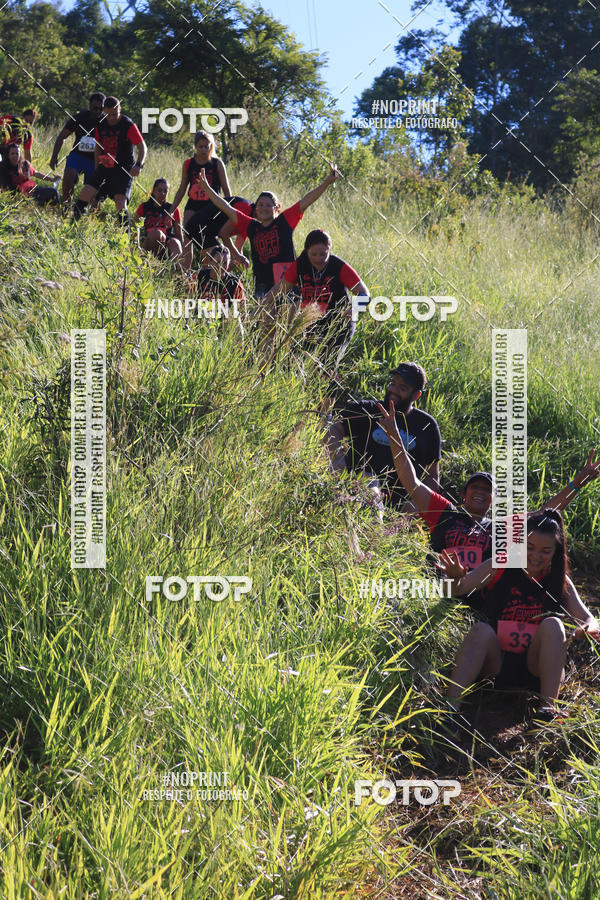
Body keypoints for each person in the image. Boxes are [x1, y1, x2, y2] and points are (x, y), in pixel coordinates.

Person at [377, 401, 600, 573]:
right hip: (440, 587)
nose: (480, 493)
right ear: (464, 494)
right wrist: (395, 436)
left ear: (494, 500)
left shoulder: (502, 527)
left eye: (487, 490)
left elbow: (545, 514)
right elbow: (412, 481)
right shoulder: (445, 512)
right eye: (475, 487)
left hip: (478, 596)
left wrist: (577, 483)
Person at [438, 510, 600, 727]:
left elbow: (589, 619)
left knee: (554, 625)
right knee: (481, 630)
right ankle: (450, 707)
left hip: (537, 670)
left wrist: (588, 629)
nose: (535, 556)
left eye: (545, 551)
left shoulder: (560, 581)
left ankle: (547, 709)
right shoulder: (500, 565)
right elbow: (455, 590)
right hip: (497, 663)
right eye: (529, 547)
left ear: (555, 552)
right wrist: (454, 578)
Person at [195, 163, 340, 298]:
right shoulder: (251, 226)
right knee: (265, 324)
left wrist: (327, 182)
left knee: (284, 322)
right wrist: (207, 188)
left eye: (268, 205)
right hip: (262, 284)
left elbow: (307, 200)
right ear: (256, 208)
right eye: (260, 204)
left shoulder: (285, 221)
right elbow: (226, 207)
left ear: (277, 208)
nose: (263, 208)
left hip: (286, 282)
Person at [327, 362, 442, 512]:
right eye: (393, 383)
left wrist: (415, 506)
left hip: (400, 506)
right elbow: (332, 427)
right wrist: (338, 466)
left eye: (402, 388)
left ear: (416, 395)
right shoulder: (368, 409)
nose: (393, 390)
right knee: (370, 483)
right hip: (357, 488)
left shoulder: (426, 426)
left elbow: (433, 475)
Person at [263, 229, 369, 368]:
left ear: (329, 249)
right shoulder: (299, 265)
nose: (319, 259)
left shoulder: (338, 266)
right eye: (314, 254)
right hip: (311, 321)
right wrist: (260, 307)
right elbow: (280, 289)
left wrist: (354, 309)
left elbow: (364, 293)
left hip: (340, 322)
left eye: (323, 254)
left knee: (327, 365)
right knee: (293, 362)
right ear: (307, 251)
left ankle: (331, 386)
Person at [72, 96, 146, 229]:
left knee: (120, 201)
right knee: (86, 192)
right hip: (105, 165)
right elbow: (98, 147)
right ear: (104, 111)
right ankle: (72, 226)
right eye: (108, 114)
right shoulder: (101, 124)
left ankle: (125, 237)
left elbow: (142, 147)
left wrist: (139, 165)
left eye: (115, 114)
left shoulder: (127, 124)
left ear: (120, 109)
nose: (112, 117)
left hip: (124, 168)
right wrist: (96, 168)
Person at [170, 131, 231, 271]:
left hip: (212, 207)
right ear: (195, 147)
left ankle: (208, 272)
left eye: (206, 146)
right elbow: (182, 189)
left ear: (211, 146)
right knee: (188, 239)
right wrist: (172, 209)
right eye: (200, 146)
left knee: (206, 241)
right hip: (193, 205)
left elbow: (227, 191)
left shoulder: (217, 164)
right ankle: (184, 274)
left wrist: (229, 212)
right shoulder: (188, 164)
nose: (204, 149)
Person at [50, 92, 105, 203]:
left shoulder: (106, 121)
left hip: (96, 159)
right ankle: (66, 205)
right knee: (69, 173)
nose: (98, 111)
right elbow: (62, 136)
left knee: (94, 190)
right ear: (89, 106)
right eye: (95, 108)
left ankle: (88, 213)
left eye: (101, 108)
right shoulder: (80, 117)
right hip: (78, 155)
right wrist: (54, 156)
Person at [188, 194, 253, 266]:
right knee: (221, 262)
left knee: (224, 263)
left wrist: (241, 263)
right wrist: (238, 256)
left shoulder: (252, 221)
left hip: (205, 228)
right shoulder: (247, 209)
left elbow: (238, 247)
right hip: (200, 226)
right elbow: (224, 234)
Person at [134, 178, 182, 261]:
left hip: (167, 242)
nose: (162, 193)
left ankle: (179, 271)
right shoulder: (144, 207)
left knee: (175, 243)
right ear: (153, 191)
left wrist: (182, 247)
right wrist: (137, 245)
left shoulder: (173, 209)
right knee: (157, 234)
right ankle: (152, 263)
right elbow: (136, 228)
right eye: (159, 190)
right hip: (150, 242)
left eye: (165, 191)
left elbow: (179, 234)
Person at [196, 243, 245, 308]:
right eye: (217, 262)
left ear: (229, 263)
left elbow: (242, 309)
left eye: (224, 263)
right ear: (210, 262)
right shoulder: (199, 276)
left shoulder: (234, 283)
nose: (220, 267)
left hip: (225, 317)